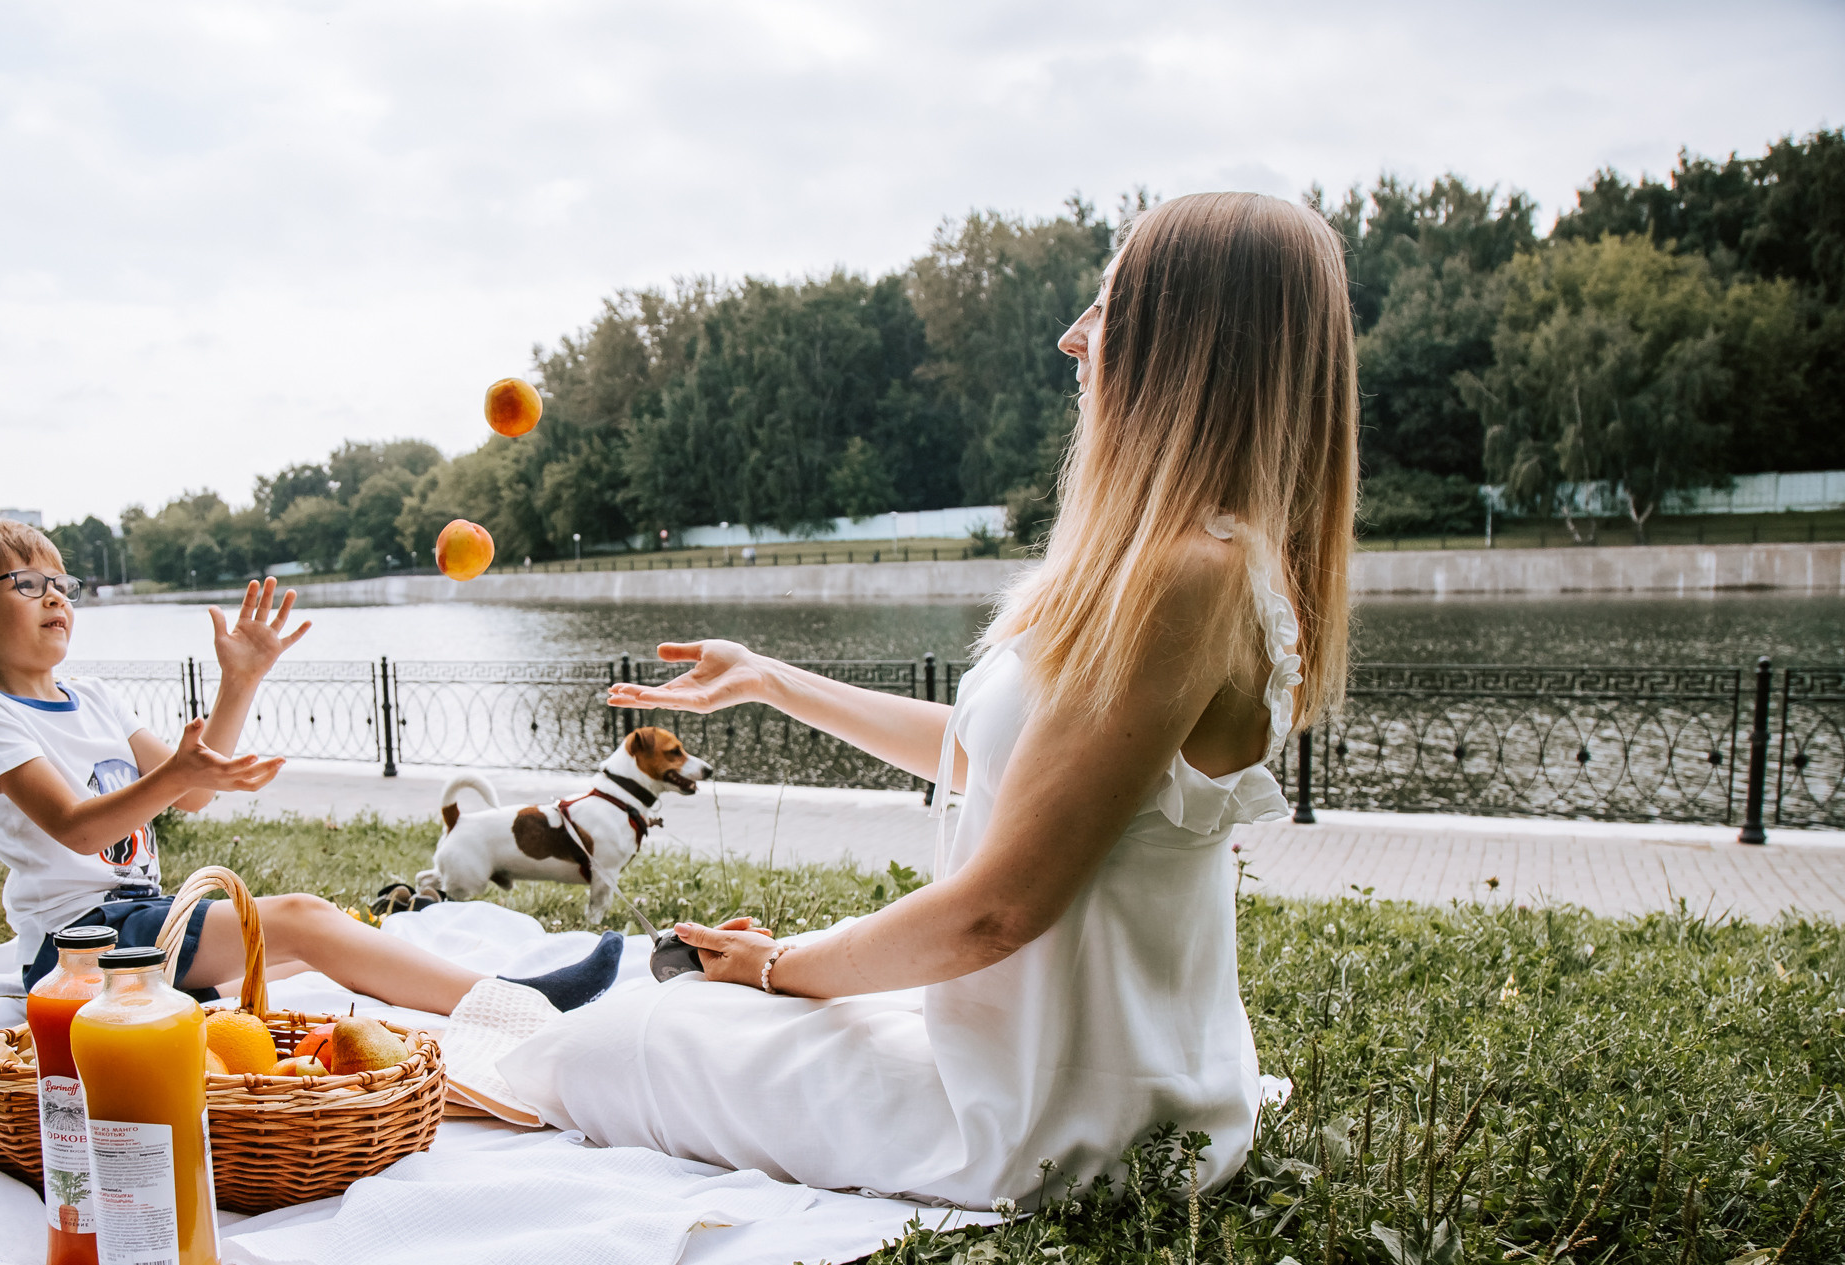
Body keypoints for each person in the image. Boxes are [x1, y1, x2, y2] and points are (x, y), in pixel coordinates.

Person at [493, 193, 1356, 1208]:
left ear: (1187, 349)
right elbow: (997, 758)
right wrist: (774, 681)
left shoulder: (1186, 576)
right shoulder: (1208, 563)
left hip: (1050, 1125)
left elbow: (996, 911)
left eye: (1108, 308)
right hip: (1068, 1073)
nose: (1073, 338)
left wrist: (780, 968)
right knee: (682, 1011)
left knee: (611, 1040)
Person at [0, 519, 623, 1011]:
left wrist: (241, 681)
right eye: (26, 584)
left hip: (145, 922)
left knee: (317, 954)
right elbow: (77, 829)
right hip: (78, 948)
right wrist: (172, 777)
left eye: (61, 583)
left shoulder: (95, 699)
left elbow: (191, 795)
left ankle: (471, 987)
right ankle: (512, 1004)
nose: (55, 597)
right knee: (299, 919)